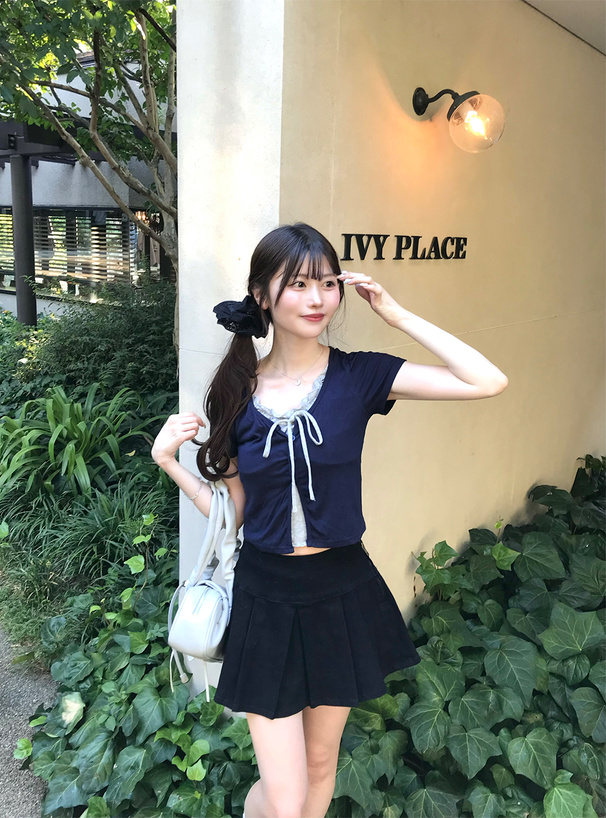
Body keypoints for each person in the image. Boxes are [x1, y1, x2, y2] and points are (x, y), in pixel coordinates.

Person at [151, 222, 508, 818]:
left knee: (320, 768)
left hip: (340, 591)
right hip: (266, 597)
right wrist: (169, 463)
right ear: (262, 295)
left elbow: (487, 381)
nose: (317, 299)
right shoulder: (236, 390)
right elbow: (235, 514)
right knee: (285, 795)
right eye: (297, 284)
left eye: (327, 283)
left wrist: (397, 316)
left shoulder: (359, 376)